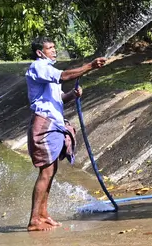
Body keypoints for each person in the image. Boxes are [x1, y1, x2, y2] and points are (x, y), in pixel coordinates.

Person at [25, 38, 108, 231]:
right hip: (44, 124)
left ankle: (43, 215)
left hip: (54, 123)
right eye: (49, 48)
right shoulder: (39, 66)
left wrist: (72, 95)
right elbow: (63, 76)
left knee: (51, 172)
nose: (54, 50)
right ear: (39, 52)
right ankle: (34, 219)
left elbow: (57, 97)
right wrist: (90, 66)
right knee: (45, 173)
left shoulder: (47, 70)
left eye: (54, 47)